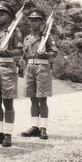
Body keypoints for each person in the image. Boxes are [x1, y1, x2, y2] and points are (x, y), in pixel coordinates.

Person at [0, 1, 23, 147]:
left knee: (8, 102)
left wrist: (7, 52)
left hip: (7, 67)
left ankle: (8, 134)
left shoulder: (14, 31)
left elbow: (19, 51)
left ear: (9, 16)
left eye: (2, 14)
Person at [21, 9, 57, 140]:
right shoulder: (27, 38)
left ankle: (43, 128)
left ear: (42, 22)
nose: (33, 23)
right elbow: (25, 56)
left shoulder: (46, 37)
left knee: (42, 98)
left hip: (42, 67)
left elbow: (54, 53)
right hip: (30, 68)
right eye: (31, 20)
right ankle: (34, 126)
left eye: (36, 20)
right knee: (32, 98)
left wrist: (45, 54)